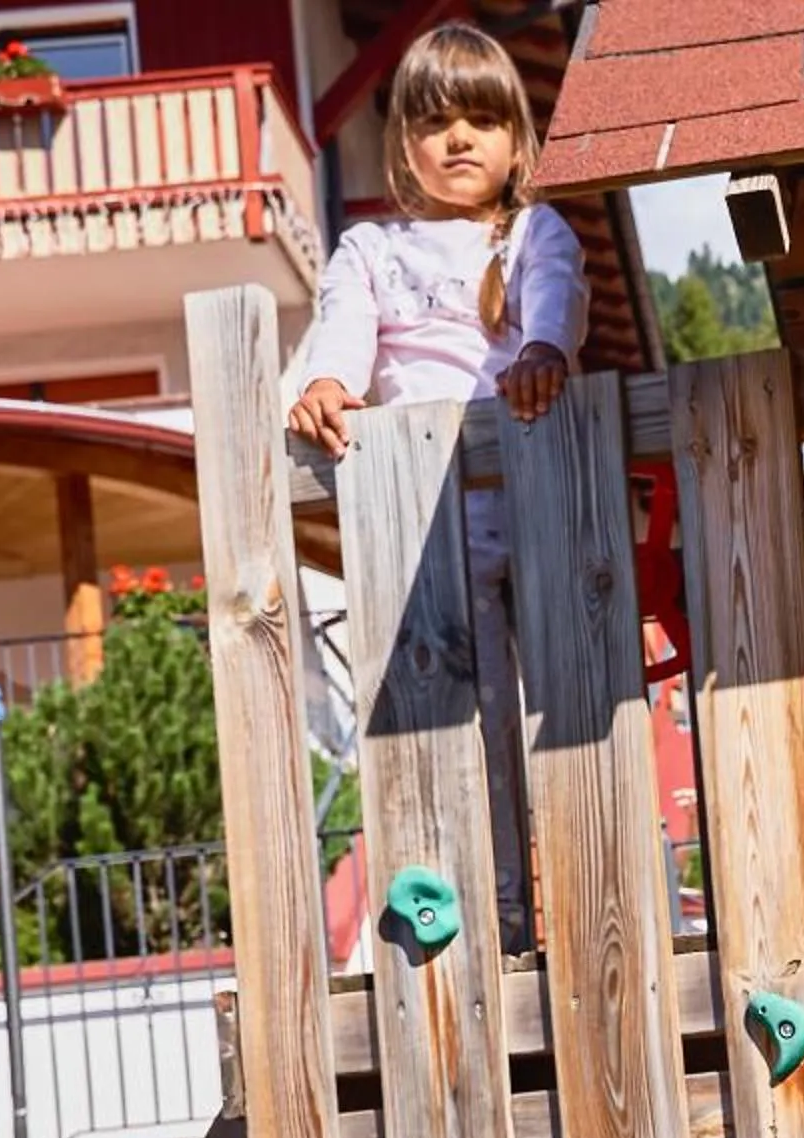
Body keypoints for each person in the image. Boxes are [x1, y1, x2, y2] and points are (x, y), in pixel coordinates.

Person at [285, 20, 584, 955]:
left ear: (516, 143)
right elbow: (343, 327)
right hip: (423, 536)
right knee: (468, 734)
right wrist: (327, 382)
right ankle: (497, 924)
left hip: (528, 505)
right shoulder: (372, 250)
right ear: (406, 143)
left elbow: (558, 298)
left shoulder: (531, 230)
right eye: (438, 120)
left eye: (482, 122)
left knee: (570, 720)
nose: (461, 139)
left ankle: (584, 905)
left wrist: (541, 350)